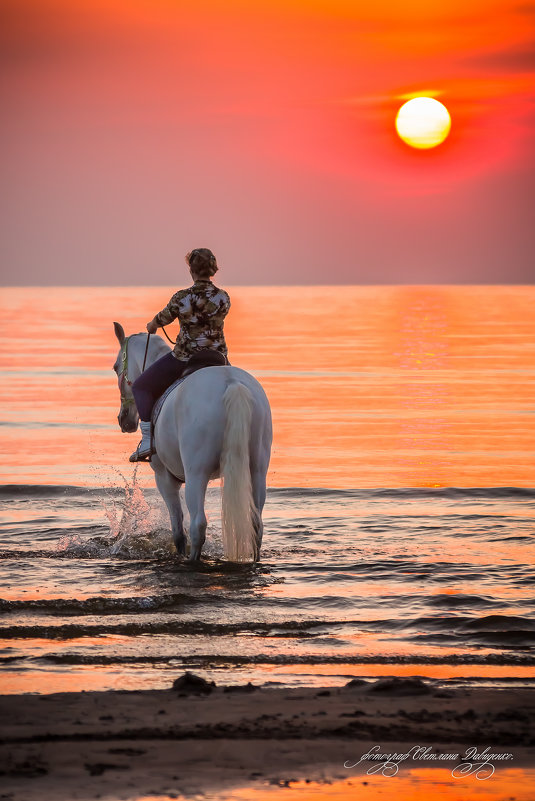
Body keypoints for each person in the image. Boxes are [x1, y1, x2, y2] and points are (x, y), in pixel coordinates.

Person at [129, 248, 231, 462]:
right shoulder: (223, 297)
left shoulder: (182, 297)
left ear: (191, 270)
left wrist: (152, 325)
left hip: (186, 357)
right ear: (213, 270)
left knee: (141, 386)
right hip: (218, 357)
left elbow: (163, 318)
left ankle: (147, 440)